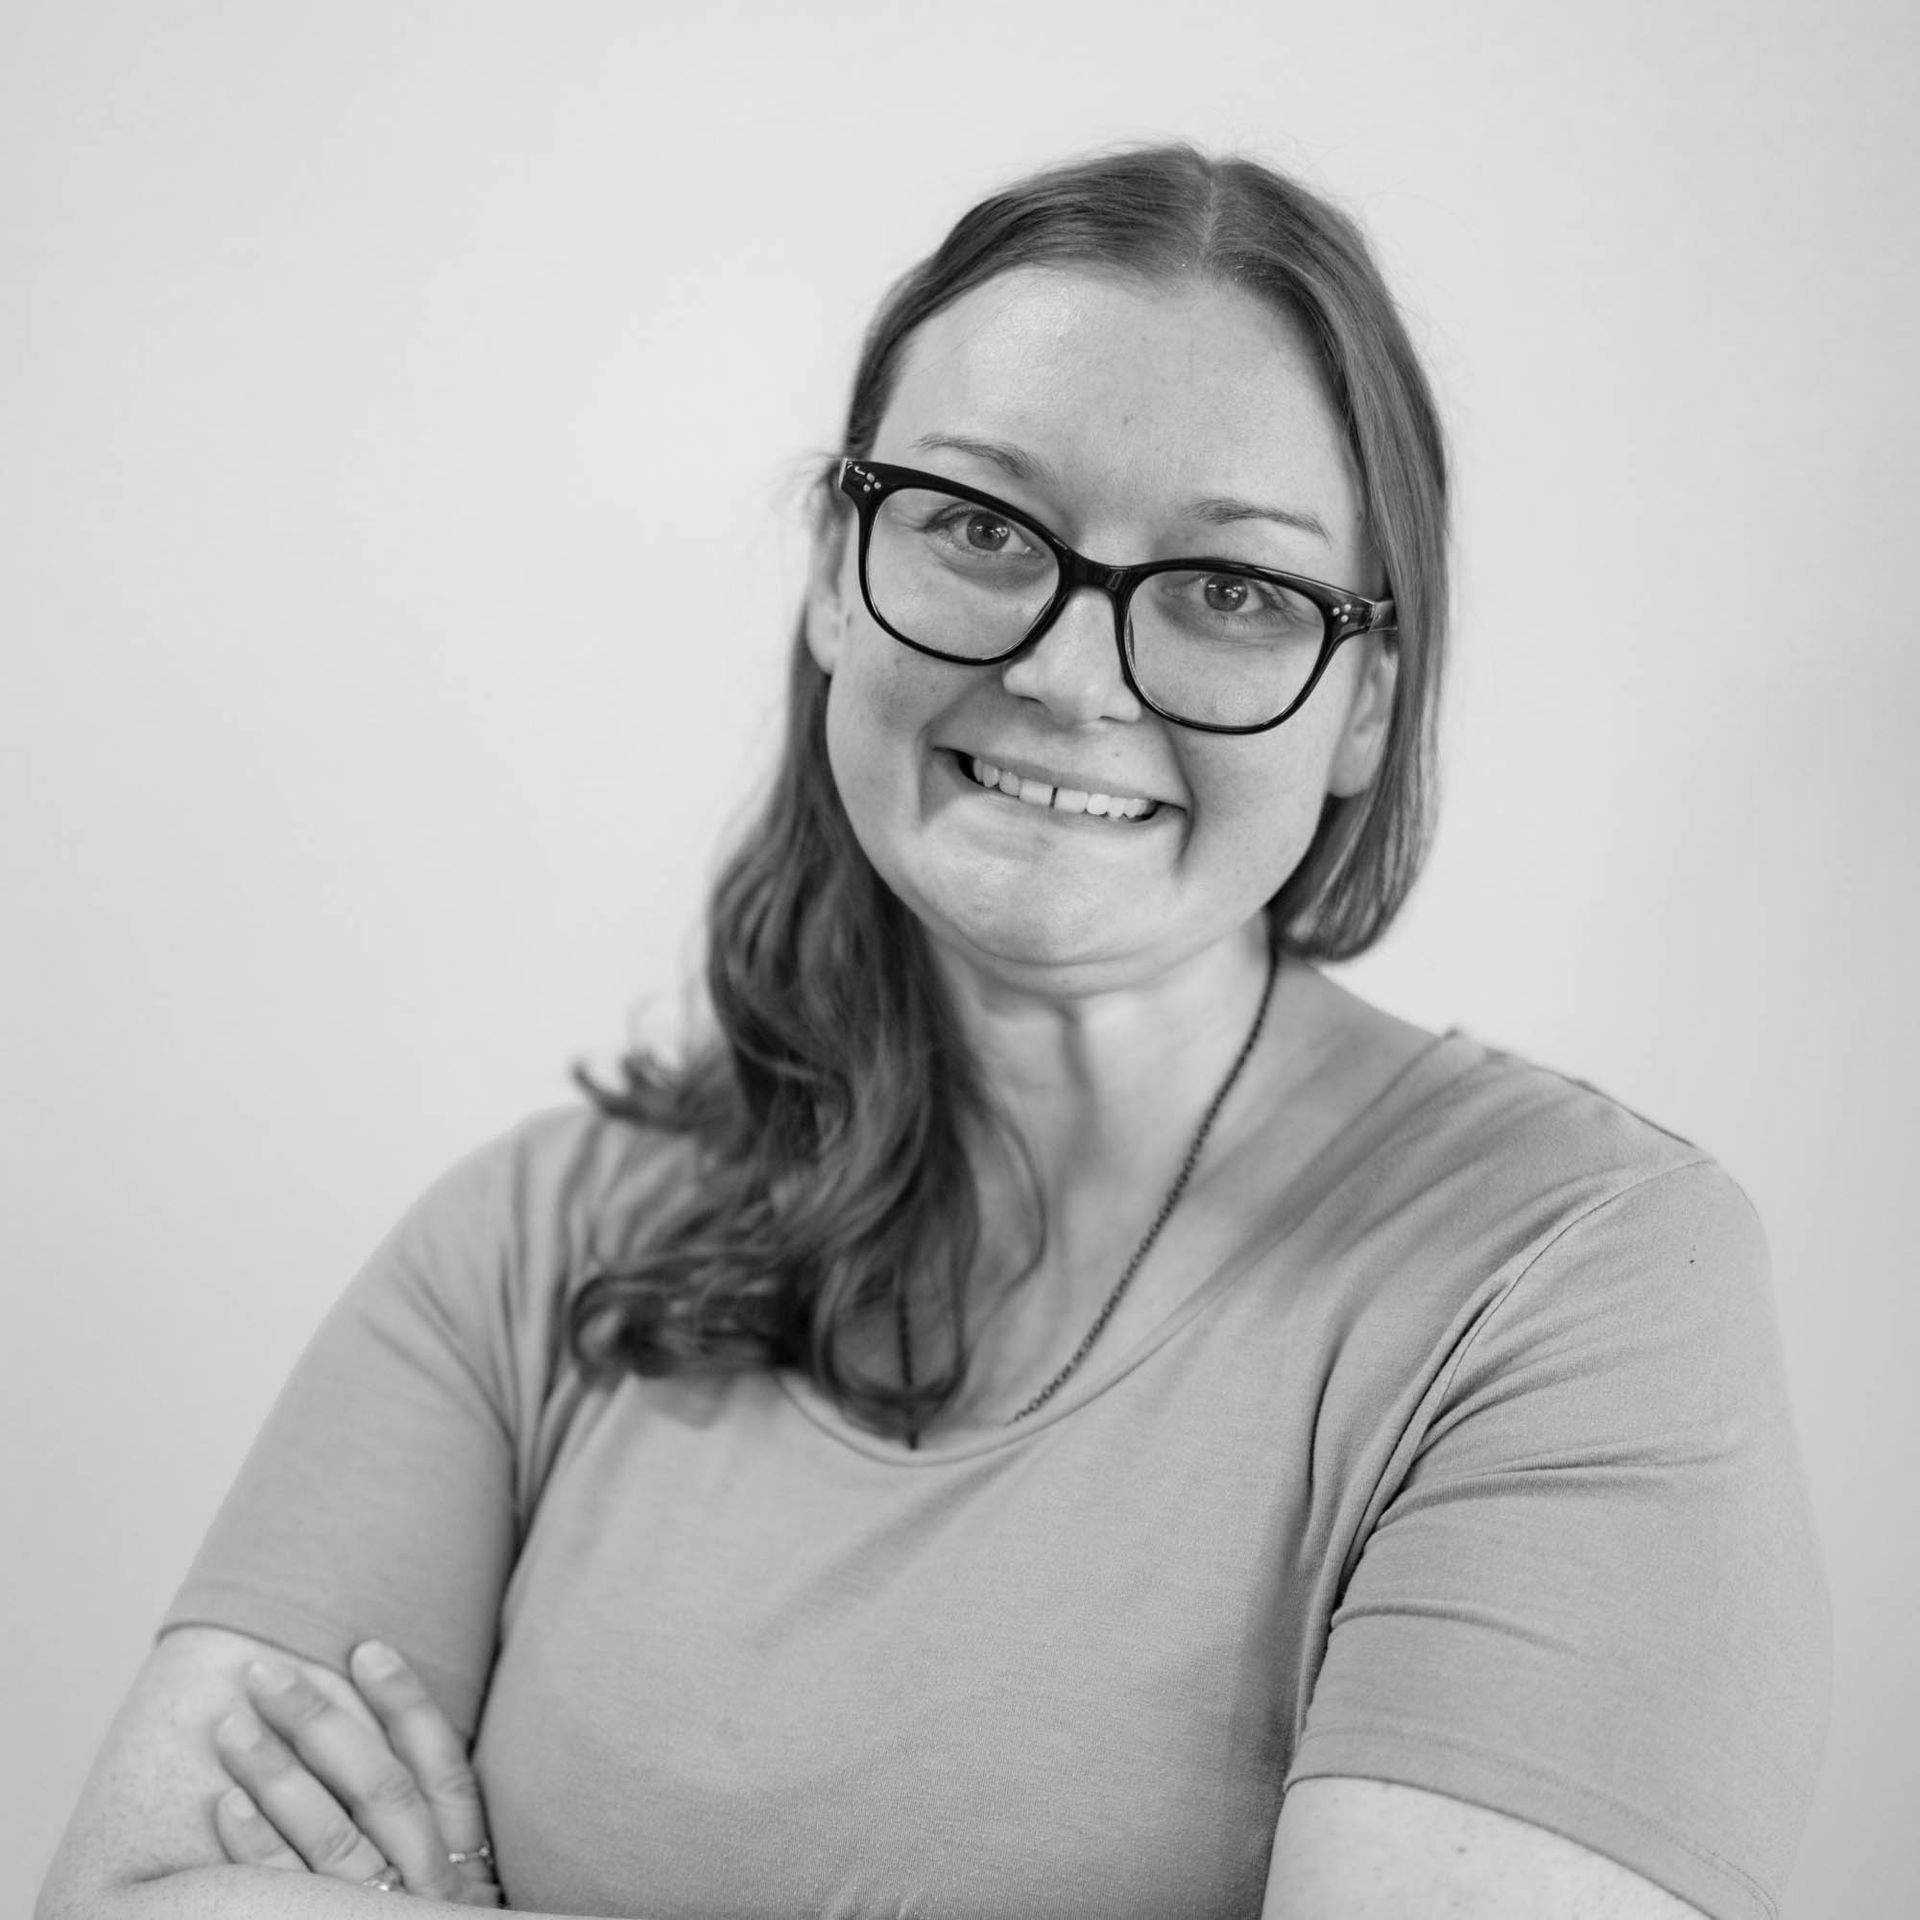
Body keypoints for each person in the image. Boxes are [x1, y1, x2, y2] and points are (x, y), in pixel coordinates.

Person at [37, 144, 1829, 1920]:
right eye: (981, 527)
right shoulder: (526, 1248)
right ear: (836, 568)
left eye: (1230, 588)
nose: (1070, 671)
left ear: (1364, 700)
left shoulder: (1569, 1283)